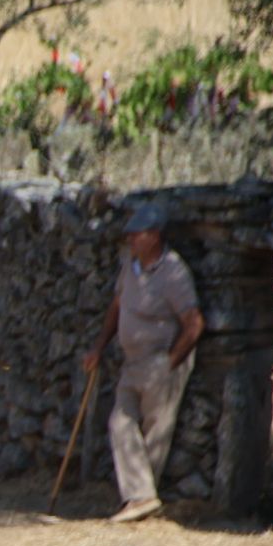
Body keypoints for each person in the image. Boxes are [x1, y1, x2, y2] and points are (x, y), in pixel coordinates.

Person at [83, 203, 206, 523]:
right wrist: (99, 346)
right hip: (132, 362)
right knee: (120, 423)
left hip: (159, 363)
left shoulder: (174, 273)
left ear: (154, 236)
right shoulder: (130, 266)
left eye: (136, 235)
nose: (131, 240)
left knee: (156, 431)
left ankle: (141, 503)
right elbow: (116, 307)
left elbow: (194, 323)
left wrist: (170, 362)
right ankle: (142, 497)